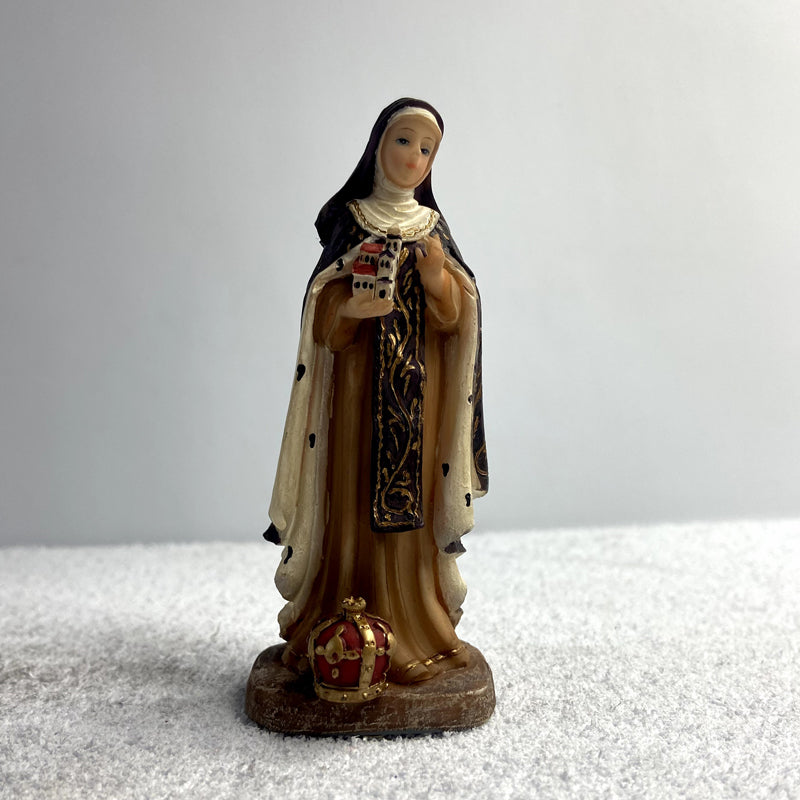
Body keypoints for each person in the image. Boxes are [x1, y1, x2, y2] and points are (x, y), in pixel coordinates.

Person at [265, 98, 488, 684]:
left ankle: (414, 631)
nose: (413, 157)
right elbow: (322, 309)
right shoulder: (353, 220)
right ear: (377, 147)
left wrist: (437, 279)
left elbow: (457, 318)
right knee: (350, 500)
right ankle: (338, 621)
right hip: (356, 396)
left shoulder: (432, 228)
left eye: (427, 149)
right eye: (403, 141)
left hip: (420, 395)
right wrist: (351, 310)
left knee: (412, 510)